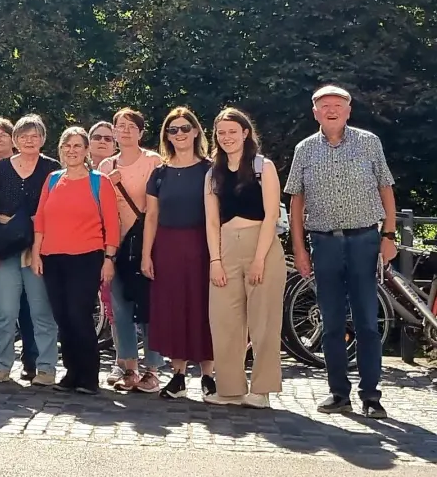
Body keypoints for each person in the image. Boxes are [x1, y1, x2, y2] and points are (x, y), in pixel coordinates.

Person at [286, 85, 397, 419]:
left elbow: (386, 188)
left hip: (364, 240)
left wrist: (388, 234)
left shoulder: (369, 142)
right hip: (324, 243)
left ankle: (371, 396)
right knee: (332, 322)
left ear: (348, 111)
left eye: (338, 105)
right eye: (324, 105)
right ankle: (338, 393)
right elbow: (296, 202)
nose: (331, 110)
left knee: (366, 320)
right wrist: (299, 249)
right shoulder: (304, 149)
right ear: (315, 112)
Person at [205, 108, 284, 408]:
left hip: (260, 244)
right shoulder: (213, 173)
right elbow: (211, 221)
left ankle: (261, 390)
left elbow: (271, 215)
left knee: (263, 321)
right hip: (225, 246)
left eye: (232, 132)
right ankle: (230, 388)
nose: (227, 138)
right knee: (223, 319)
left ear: (245, 133)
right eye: (221, 133)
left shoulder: (263, 167)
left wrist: (260, 259)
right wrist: (215, 260)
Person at [32, 126, 120, 394]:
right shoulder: (52, 179)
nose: (72, 151)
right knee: (62, 317)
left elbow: (112, 224)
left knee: (79, 314)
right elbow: (41, 220)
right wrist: (36, 252)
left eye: (77, 146)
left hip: (86, 257)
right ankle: (71, 372)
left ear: (86, 151)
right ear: (61, 149)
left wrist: (109, 258)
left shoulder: (99, 182)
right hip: (53, 257)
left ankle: (88, 375)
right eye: (67, 146)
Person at [142, 107, 216, 400]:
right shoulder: (159, 173)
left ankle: (209, 375)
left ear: (196, 131)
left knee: (203, 308)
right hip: (167, 247)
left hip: (202, 245)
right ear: (166, 136)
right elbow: (151, 217)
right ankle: (179, 375)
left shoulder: (210, 169)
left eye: (185, 128)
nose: (180, 134)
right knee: (173, 309)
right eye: (173, 130)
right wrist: (147, 254)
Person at [0, 115, 60, 385]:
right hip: (5, 247)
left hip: (38, 248)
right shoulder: (3, 168)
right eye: (24, 136)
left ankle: (46, 368)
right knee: (4, 310)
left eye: (35, 136)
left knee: (41, 310)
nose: (29, 141)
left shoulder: (52, 169)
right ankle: (2, 364)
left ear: (43, 139)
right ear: (15, 140)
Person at [96, 108, 163, 393]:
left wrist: (148, 249)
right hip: (117, 246)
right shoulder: (105, 167)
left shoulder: (153, 161)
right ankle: (129, 367)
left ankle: (153, 368)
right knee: (121, 308)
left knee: (149, 307)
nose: (125, 131)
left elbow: (156, 208)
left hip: (148, 243)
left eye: (131, 126)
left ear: (140, 131)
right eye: (120, 126)